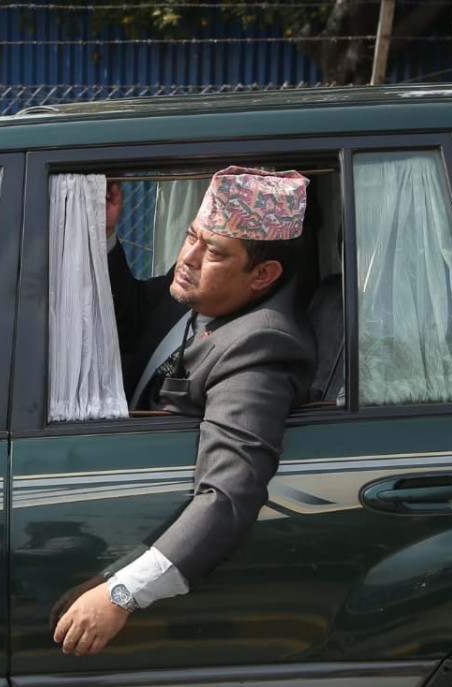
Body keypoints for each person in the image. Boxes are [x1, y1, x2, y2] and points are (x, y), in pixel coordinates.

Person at [52, 165, 317, 656]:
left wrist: (122, 593)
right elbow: (134, 312)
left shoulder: (261, 346)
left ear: (263, 275)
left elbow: (229, 496)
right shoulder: (199, 292)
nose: (188, 257)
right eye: (191, 236)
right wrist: (103, 234)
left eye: (213, 251)